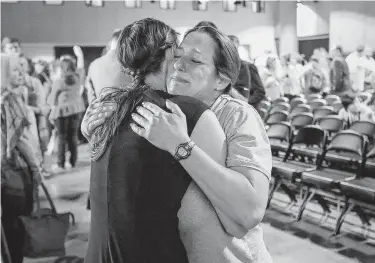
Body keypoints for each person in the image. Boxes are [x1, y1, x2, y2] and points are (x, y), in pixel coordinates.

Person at [83, 22, 272, 263]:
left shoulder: (235, 115)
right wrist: (100, 134)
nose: (179, 64)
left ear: (221, 80)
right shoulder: (162, 112)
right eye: (178, 54)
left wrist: (182, 147)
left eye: (195, 61)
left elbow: (249, 213)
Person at [1, 54, 42, 263]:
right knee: (16, 228)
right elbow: (23, 141)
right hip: (13, 174)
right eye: (15, 70)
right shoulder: (8, 100)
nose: (21, 73)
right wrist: (36, 169)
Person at [47, 58, 86, 172]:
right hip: (76, 109)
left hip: (62, 111)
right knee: (73, 136)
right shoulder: (78, 77)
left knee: (61, 137)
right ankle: (73, 161)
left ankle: (61, 163)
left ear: (62, 68)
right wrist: (79, 56)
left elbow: (52, 99)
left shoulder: (59, 81)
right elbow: (81, 68)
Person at [86, 29, 132, 104]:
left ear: (111, 43)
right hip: (127, 112)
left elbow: (91, 95)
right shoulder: (131, 63)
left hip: (100, 112)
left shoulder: (93, 64)